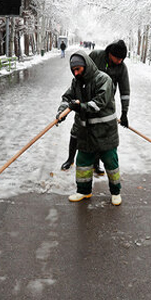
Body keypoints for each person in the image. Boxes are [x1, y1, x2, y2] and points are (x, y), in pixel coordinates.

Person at [56, 51, 122, 205]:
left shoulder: (103, 79)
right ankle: (83, 191)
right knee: (83, 163)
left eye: (79, 69)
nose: (76, 73)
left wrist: (80, 107)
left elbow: (98, 103)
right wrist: (62, 112)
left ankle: (115, 192)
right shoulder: (76, 82)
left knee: (111, 164)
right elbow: (67, 98)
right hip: (85, 132)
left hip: (104, 132)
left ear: (86, 65)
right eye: (74, 70)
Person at [60, 40, 130, 175]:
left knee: (98, 133)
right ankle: (70, 159)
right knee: (77, 130)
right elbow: (81, 70)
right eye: (118, 58)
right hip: (84, 101)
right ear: (110, 53)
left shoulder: (121, 67)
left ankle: (96, 163)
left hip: (103, 102)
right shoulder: (96, 56)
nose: (120, 61)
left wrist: (125, 113)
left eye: (122, 59)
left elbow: (125, 90)